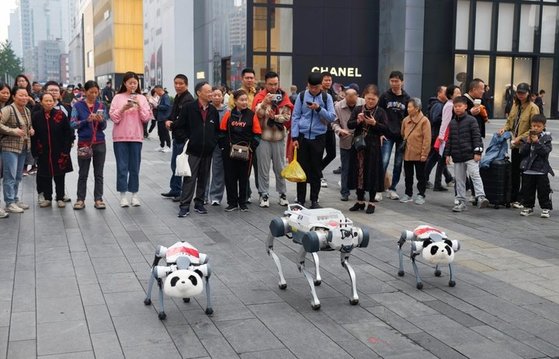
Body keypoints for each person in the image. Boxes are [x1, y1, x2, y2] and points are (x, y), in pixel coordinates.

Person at [171, 82, 220, 217]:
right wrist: (187, 139)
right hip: (192, 150)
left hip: (207, 151)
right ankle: (184, 205)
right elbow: (178, 126)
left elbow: (216, 130)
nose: (211, 94)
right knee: (189, 178)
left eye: (212, 91)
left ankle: (199, 203)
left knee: (203, 178)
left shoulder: (213, 111)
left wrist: (212, 142)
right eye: (209, 91)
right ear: (199, 93)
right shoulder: (189, 108)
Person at [291, 72, 336, 208]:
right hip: (303, 137)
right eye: (310, 87)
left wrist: (319, 109)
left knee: (316, 170)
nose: (313, 90)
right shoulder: (302, 95)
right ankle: (300, 199)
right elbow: (296, 116)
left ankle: (314, 200)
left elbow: (331, 117)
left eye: (315, 87)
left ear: (320, 86)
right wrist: (294, 137)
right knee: (302, 170)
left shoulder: (326, 97)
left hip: (318, 137)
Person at [109, 71, 152, 207]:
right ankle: (122, 196)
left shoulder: (142, 98)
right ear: (125, 83)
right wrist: (123, 108)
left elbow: (146, 118)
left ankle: (134, 195)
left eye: (135, 83)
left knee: (135, 167)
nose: (133, 85)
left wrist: (139, 106)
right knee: (122, 167)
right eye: (130, 83)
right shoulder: (118, 97)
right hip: (120, 137)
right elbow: (113, 118)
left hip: (136, 137)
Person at [253, 71, 292, 208]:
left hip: (279, 138)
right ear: (265, 84)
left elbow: (287, 117)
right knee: (263, 168)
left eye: (276, 84)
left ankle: (282, 193)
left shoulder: (284, 96)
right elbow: (256, 115)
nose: (273, 87)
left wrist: (275, 117)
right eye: (270, 84)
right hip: (263, 137)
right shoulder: (260, 96)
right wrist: (264, 104)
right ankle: (264, 194)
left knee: (280, 168)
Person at [497, 83, 540, 209]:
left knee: (525, 172)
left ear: (528, 93)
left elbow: (535, 128)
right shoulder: (515, 105)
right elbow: (510, 122)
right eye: (519, 93)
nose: (520, 95)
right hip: (515, 145)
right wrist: (504, 129)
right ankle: (514, 197)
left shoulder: (533, 108)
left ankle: (523, 198)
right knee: (514, 171)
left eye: (523, 93)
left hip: (526, 144)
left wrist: (519, 138)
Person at [346, 84, 388, 214]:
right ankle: (360, 200)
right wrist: (358, 121)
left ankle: (371, 202)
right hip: (359, 146)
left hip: (373, 147)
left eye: (373, 99)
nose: (370, 101)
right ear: (364, 97)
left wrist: (374, 123)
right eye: (368, 98)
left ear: (377, 99)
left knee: (372, 173)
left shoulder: (381, 112)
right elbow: (349, 124)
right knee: (359, 173)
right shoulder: (358, 109)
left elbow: (386, 129)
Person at [444, 96, 489, 212]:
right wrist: (447, 154)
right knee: (459, 179)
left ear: (466, 107)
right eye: (455, 106)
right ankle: (460, 201)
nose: (457, 108)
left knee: (475, 174)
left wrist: (478, 151)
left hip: (470, 154)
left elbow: (476, 136)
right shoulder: (452, 123)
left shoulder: (471, 120)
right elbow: (449, 140)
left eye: (460, 106)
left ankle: (480, 196)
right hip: (457, 156)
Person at [219, 89, 262, 211]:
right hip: (229, 152)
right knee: (230, 177)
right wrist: (223, 147)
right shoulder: (228, 114)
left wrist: (251, 148)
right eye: (241, 100)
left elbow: (257, 134)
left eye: (246, 100)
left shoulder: (252, 115)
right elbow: (221, 132)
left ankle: (242, 203)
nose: (244, 102)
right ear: (235, 101)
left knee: (244, 177)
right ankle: (232, 203)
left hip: (246, 152)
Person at [31, 93, 73, 208]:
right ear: (41, 102)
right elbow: (33, 136)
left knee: (60, 175)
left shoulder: (60, 115)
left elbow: (67, 134)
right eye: (46, 101)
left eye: (51, 101)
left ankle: (60, 197)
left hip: (59, 151)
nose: (49, 103)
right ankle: (47, 198)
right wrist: (34, 150)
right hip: (43, 151)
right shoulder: (36, 116)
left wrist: (66, 149)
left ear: (54, 102)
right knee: (45, 175)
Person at [70, 80, 108, 210]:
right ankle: (80, 199)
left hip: (100, 142)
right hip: (84, 142)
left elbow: (104, 126)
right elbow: (73, 124)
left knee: (99, 173)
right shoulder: (78, 106)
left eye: (96, 92)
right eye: (91, 92)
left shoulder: (101, 105)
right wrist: (87, 120)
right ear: (85, 92)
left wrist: (101, 120)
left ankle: (98, 199)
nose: (93, 95)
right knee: (83, 173)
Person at [0, 86, 35, 213]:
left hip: (23, 147)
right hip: (9, 147)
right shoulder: (7, 110)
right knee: (10, 175)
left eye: (26, 95)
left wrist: (31, 130)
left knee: (18, 176)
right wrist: (13, 131)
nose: (24, 98)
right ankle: (9, 202)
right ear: (14, 97)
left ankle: (14, 199)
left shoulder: (26, 110)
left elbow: (28, 126)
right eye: (21, 95)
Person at [162, 74, 195, 200]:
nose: (178, 86)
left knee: (182, 166)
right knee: (175, 165)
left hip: (184, 138)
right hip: (177, 136)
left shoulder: (188, 99)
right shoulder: (178, 97)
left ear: (186, 84)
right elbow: (173, 114)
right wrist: (168, 121)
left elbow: (183, 120)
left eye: (181, 83)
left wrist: (172, 124)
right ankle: (175, 189)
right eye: (176, 83)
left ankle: (182, 193)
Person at [379, 70, 411, 201]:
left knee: (398, 163)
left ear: (402, 82)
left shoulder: (407, 98)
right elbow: (379, 114)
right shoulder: (385, 96)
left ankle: (393, 188)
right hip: (387, 134)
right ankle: (378, 189)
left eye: (397, 81)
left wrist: (407, 135)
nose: (394, 83)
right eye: (392, 81)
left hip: (401, 136)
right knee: (384, 161)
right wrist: (380, 132)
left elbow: (409, 118)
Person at [229, 68, 258, 202]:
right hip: (238, 140)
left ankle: (252, 194)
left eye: (252, 78)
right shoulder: (234, 95)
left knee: (254, 169)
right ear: (242, 79)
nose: (250, 80)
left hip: (253, 137)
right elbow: (230, 118)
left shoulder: (257, 94)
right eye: (247, 78)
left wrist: (253, 144)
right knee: (239, 171)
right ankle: (244, 196)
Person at [332, 87, 365, 201]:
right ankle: (345, 192)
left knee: (360, 166)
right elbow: (334, 122)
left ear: (357, 96)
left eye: (353, 100)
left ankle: (360, 191)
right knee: (345, 167)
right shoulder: (338, 106)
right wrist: (339, 130)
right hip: (345, 139)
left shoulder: (363, 103)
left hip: (361, 139)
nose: (351, 102)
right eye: (349, 100)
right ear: (345, 97)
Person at [519, 114, 553, 218]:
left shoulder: (546, 138)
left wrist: (537, 142)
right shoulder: (526, 138)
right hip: (528, 169)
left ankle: (545, 208)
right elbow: (522, 152)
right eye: (534, 126)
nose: (535, 128)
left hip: (541, 170)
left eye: (538, 126)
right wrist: (528, 143)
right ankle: (528, 207)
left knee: (543, 190)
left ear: (544, 126)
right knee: (528, 189)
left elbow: (545, 152)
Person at [399, 98, 431, 205]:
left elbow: (427, 139)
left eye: (410, 107)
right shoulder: (405, 120)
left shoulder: (424, 121)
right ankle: (408, 194)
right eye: (407, 107)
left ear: (417, 108)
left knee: (420, 175)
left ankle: (421, 194)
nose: (408, 109)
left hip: (419, 153)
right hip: (407, 153)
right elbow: (403, 134)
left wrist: (424, 154)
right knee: (408, 175)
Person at [434, 85, 461, 191]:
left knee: (441, 160)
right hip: (447, 136)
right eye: (457, 93)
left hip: (447, 135)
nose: (459, 95)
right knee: (444, 160)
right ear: (451, 95)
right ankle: (438, 183)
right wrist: (441, 136)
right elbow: (445, 121)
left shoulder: (451, 104)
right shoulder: (450, 106)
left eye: (460, 92)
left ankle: (437, 183)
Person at [206, 87, 228, 205]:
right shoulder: (206, 109)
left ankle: (216, 196)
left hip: (220, 143)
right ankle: (203, 195)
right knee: (204, 170)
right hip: (207, 142)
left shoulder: (227, 110)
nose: (217, 97)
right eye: (214, 95)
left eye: (219, 95)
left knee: (218, 170)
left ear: (223, 96)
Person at [320, 71, 337, 188]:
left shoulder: (332, 93)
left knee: (332, 154)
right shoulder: (317, 93)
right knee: (319, 153)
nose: (328, 82)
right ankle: (319, 175)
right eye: (326, 80)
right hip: (319, 128)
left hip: (330, 128)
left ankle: (316, 170)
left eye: (330, 80)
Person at [0, 83, 13, 218]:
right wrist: (13, 131)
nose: (5, 95)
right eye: (3, 92)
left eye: (7, 93)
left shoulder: (7, 107)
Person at [153, 85, 172, 152]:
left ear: (159, 89)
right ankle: (162, 145)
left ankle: (169, 146)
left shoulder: (165, 97)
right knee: (160, 133)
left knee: (165, 133)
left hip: (164, 118)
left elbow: (167, 106)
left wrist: (157, 106)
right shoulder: (161, 97)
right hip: (160, 118)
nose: (156, 93)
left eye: (156, 91)